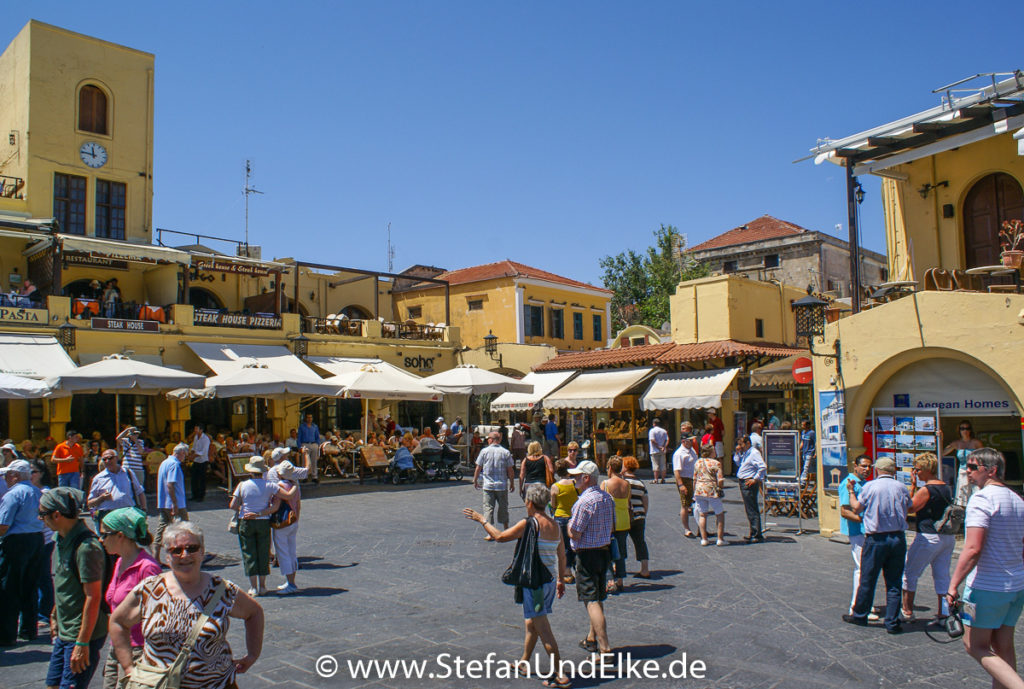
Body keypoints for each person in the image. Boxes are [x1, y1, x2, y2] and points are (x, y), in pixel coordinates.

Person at [109, 521, 264, 689]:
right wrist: (128, 667)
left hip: (216, 684)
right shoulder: (149, 589)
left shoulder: (222, 590)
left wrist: (252, 655)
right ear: (167, 557)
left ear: (202, 552)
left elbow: (254, 613)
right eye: (176, 550)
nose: (184, 555)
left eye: (192, 548)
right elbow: (118, 622)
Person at [463, 485, 570, 689]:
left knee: (543, 628)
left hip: (535, 584)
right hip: (548, 581)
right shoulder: (555, 525)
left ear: (529, 503)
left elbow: (500, 537)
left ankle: (560, 673)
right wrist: (561, 580)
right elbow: (562, 555)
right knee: (531, 623)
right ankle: (524, 661)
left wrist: (482, 520)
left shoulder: (529, 524)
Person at [945, 448, 1024, 689]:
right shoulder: (1017, 499)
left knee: (975, 646)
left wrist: (952, 585)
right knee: (1003, 647)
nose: (967, 471)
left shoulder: (981, 499)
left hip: (988, 586)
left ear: (991, 470)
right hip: (1016, 585)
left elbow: (973, 549)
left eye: (972, 467)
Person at [41, 487, 108, 689]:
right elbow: (65, 583)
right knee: (52, 684)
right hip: (65, 630)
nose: (39, 518)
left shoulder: (86, 548)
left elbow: (93, 596)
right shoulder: (61, 538)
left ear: (57, 515)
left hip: (80, 634)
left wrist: (82, 643)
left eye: (42, 514)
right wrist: (55, 613)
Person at [843, 457, 912, 634]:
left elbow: (857, 508)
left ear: (878, 470)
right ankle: (893, 621)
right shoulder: (901, 487)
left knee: (868, 578)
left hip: (876, 538)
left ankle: (860, 615)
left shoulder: (870, 487)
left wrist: (851, 492)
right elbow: (909, 508)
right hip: (898, 538)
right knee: (894, 581)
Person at [98, 507, 161, 689]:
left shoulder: (147, 568)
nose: (101, 540)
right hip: (117, 645)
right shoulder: (119, 561)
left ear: (120, 535)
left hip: (138, 650)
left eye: (104, 534)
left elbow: (156, 615)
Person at [567, 460, 614, 655]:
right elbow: (613, 527)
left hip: (587, 554)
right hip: (604, 551)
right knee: (597, 597)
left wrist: (568, 528)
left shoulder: (584, 502)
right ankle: (591, 638)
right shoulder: (606, 498)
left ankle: (604, 648)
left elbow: (576, 532)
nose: (574, 479)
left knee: (591, 600)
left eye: (577, 476)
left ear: (586, 478)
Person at [901, 453, 955, 622]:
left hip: (928, 536)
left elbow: (910, 508)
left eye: (916, 469)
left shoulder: (926, 490)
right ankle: (944, 613)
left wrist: (912, 486)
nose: (915, 473)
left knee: (910, 573)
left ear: (924, 470)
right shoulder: (946, 487)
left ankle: (907, 611)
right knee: (942, 575)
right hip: (947, 536)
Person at [0, 460, 45, 645]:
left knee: (9, 588)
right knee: (30, 586)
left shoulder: (13, 494)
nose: (5, 479)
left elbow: (3, 525)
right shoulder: (36, 492)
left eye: (7, 475)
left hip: (17, 541)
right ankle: (29, 629)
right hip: (36, 538)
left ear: (14, 476)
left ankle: (6, 634)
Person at [229, 457, 282, 597]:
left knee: (249, 553)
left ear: (251, 471)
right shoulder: (270, 485)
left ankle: (253, 587)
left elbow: (233, 505)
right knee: (263, 552)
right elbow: (277, 505)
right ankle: (263, 586)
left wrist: (244, 509)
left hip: (246, 521)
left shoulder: (242, 485)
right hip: (263, 521)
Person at [839, 454, 879, 619]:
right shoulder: (848, 484)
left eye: (869, 466)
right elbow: (844, 510)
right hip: (857, 531)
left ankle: (864, 602)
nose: (867, 469)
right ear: (855, 466)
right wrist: (864, 520)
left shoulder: (866, 483)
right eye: (863, 466)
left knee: (867, 568)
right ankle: (857, 606)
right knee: (861, 568)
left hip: (866, 531)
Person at [87, 449, 146, 529]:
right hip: (108, 517)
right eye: (104, 459)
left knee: (130, 540)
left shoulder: (128, 473)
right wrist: (101, 498)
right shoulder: (98, 478)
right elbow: (90, 503)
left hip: (128, 514)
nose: (107, 461)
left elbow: (140, 492)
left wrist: (144, 510)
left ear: (117, 458)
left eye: (110, 458)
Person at [269, 459, 302, 594]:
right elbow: (298, 504)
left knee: (283, 552)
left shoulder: (279, 487)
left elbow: (275, 506)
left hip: (282, 522)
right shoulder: (295, 486)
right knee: (291, 550)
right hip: (293, 521)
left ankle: (290, 583)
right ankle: (291, 580)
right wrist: (296, 519)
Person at [473, 431, 515, 538]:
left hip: (488, 485)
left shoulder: (484, 451)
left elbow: (478, 467)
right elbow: (510, 469)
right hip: (502, 485)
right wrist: (512, 483)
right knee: (503, 507)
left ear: (490, 439)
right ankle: (506, 529)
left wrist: (475, 480)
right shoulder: (505, 452)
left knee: (488, 508)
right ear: (499, 439)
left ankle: (490, 532)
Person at [154, 443, 189, 564]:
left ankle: (156, 556)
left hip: (163, 502)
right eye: (185, 455)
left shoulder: (164, 463)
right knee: (183, 529)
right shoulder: (175, 464)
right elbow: (170, 484)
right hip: (175, 503)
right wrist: (174, 504)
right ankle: (182, 555)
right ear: (181, 453)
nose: (185, 458)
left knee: (162, 528)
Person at [601, 457, 630, 595]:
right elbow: (628, 503)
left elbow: (602, 503)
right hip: (624, 521)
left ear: (610, 468)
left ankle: (610, 580)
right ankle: (620, 580)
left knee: (608, 552)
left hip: (610, 522)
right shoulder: (626, 484)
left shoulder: (605, 484)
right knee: (621, 552)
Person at [942, 420, 984, 507]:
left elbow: (984, 456)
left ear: (970, 430)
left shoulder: (976, 443)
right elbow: (942, 453)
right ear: (959, 430)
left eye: (967, 428)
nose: (965, 431)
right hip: (962, 471)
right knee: (962, 495)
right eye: (962, 428)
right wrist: (940, 438)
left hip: (974, 470)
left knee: (976, 491)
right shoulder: (956, 443)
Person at [550, 459, 578, 585]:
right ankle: (576, 567)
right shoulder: (575, 483)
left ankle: (567, 571)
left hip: (560, 518)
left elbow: (553, 505)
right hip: (573, 516)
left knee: (564, 545)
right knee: (574, 544)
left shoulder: (555, 487)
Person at [621, 456, 651, 576]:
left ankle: (618, 567)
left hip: (624, 516)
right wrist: (643, 514)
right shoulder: (640, 483)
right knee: (640, 542)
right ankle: (645, 569)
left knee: (620, 542)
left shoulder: (622, 482)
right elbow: (645, 501)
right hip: (639, 516)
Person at [693, 443, 726, 547]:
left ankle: (704, 539)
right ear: (711, 452)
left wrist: (694, 490)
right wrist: (720, 487)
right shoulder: (716, 463)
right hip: (711, 490)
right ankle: (720, 539)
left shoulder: (697, 462)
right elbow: (720, 479)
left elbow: (694, 478)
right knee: (719, 514)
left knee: (702, 514)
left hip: (699, 490)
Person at [735, 434, 766, 543]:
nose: (740, 446)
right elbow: (739, 463)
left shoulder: (754, 453)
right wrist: (737, 453)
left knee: (752, 508)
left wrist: (755, 479)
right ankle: (753, 532)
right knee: (749, 508)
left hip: (749, 482)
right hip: (743, 481)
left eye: (741, 444)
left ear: (748, 443)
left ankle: (757, 534)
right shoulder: (746, 453)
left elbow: (762, 467)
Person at [672, 424, 698, 539]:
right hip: (685, 480)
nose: (692, 442)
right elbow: (677, 471)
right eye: (690, 440)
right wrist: (681, 485)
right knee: (685, 505)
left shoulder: (691, 450)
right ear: (684, 441)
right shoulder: (679, 454)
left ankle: (700, 527)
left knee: (696, 504)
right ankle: (687, 528)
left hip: (693, 479)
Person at [297, 413, 321, 483]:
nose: (309, 419)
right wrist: (299, 447)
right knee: (305, 461)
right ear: (305, 418)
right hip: (305, 444)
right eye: (308, 417)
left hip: (313, 444)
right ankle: (305, 476)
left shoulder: (315, 426)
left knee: (314, 461)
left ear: (312, 418)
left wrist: (317, 444)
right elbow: (299, 437)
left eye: (310, 417)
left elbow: (317, 436)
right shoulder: (302, 427)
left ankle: (314, 476)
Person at [189, 424, 211, 501]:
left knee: (202, 479)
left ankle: (201, 496)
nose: (195, 431)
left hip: (202, 461)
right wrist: (191, 453)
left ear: (201, 430)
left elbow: (203, 452)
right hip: (196, 461)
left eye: (197, 429)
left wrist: (193, 456)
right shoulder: (196, 437)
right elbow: (194, 447)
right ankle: (194, 495)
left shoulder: (206, 439)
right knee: (194, 478)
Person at [647, 418, 669, 484]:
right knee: (663, 465)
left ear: (654, 424)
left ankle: (656, 479)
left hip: (654, 450)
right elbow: (667, 440)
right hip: (662, 451)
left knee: (655, 465)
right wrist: (664, 447)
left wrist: (658, 446)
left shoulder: (652, 431)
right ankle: (663, 479)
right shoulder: (664, 431)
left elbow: (652, 440)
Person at [799, 420, 816, 485]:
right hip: (804, 452)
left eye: (803, 425)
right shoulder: (803, 433)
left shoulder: (812, 433)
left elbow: (815, 443)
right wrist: (799, 450)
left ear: (807, 425)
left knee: (806, 467)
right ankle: (811, 481)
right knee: (809, 468)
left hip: (809, 452)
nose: (802, 426)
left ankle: (802, 481)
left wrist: (815, 452)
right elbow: (802, 442)